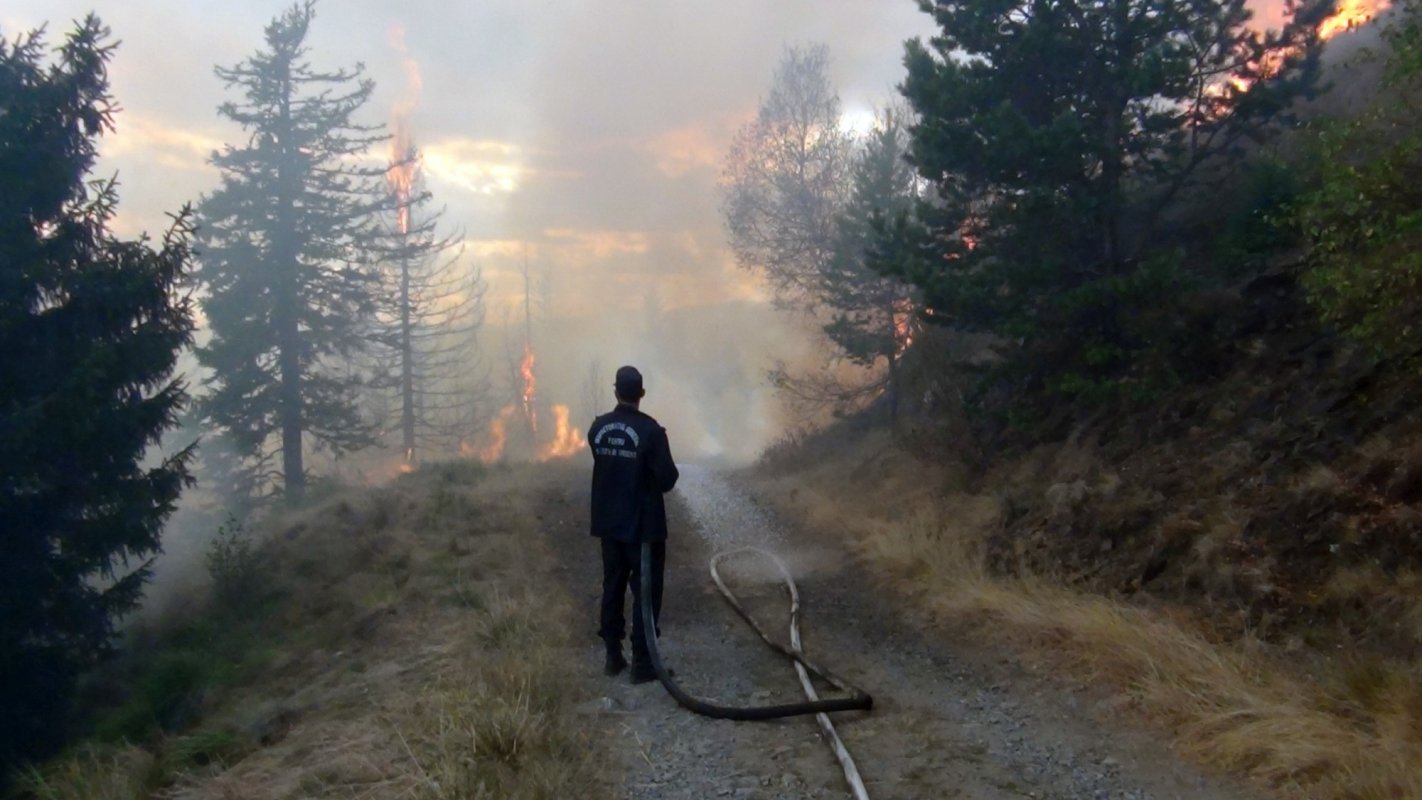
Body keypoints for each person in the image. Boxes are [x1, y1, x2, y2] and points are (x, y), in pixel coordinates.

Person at [587, 365, 679, 684]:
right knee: (646, 592)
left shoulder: (597, 428)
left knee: (612, 586)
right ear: (641, 394)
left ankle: (613, 656)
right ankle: (643, 663)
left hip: (608, 523)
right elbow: (667, 480)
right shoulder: (651, 431)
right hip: (642, 528)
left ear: (616, 392)